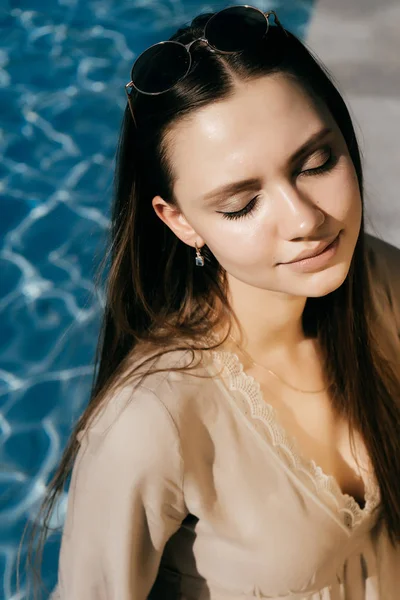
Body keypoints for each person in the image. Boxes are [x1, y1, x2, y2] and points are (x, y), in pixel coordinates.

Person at [24, 5, 400, 599]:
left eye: (317, 162)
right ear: (180, 223)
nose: (303, 220)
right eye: (240, 205)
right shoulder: (151, 422)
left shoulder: (384, 284)